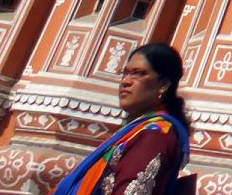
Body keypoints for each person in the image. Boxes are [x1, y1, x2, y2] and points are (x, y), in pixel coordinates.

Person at [51, 42, 191, 195]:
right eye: (125, 73)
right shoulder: (135, 131)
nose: (126, 81)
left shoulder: (155, 134)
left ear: (163, 85)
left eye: (138, 73)